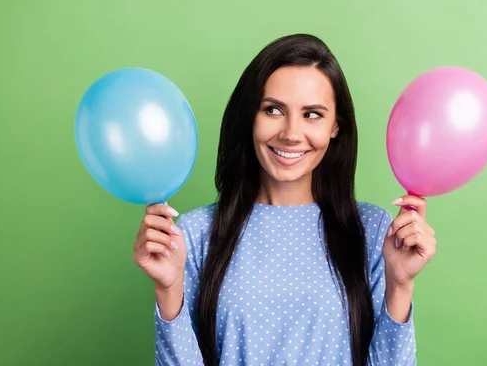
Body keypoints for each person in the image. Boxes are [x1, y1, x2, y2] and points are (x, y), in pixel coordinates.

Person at [133, 33, 437, 366]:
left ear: (336, 126)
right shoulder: (194, 234)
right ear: (250, 116)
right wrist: (168, 289)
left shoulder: (375, 231)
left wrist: (400, 284)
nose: (291, 133)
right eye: (273, 109)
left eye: (312, 114)